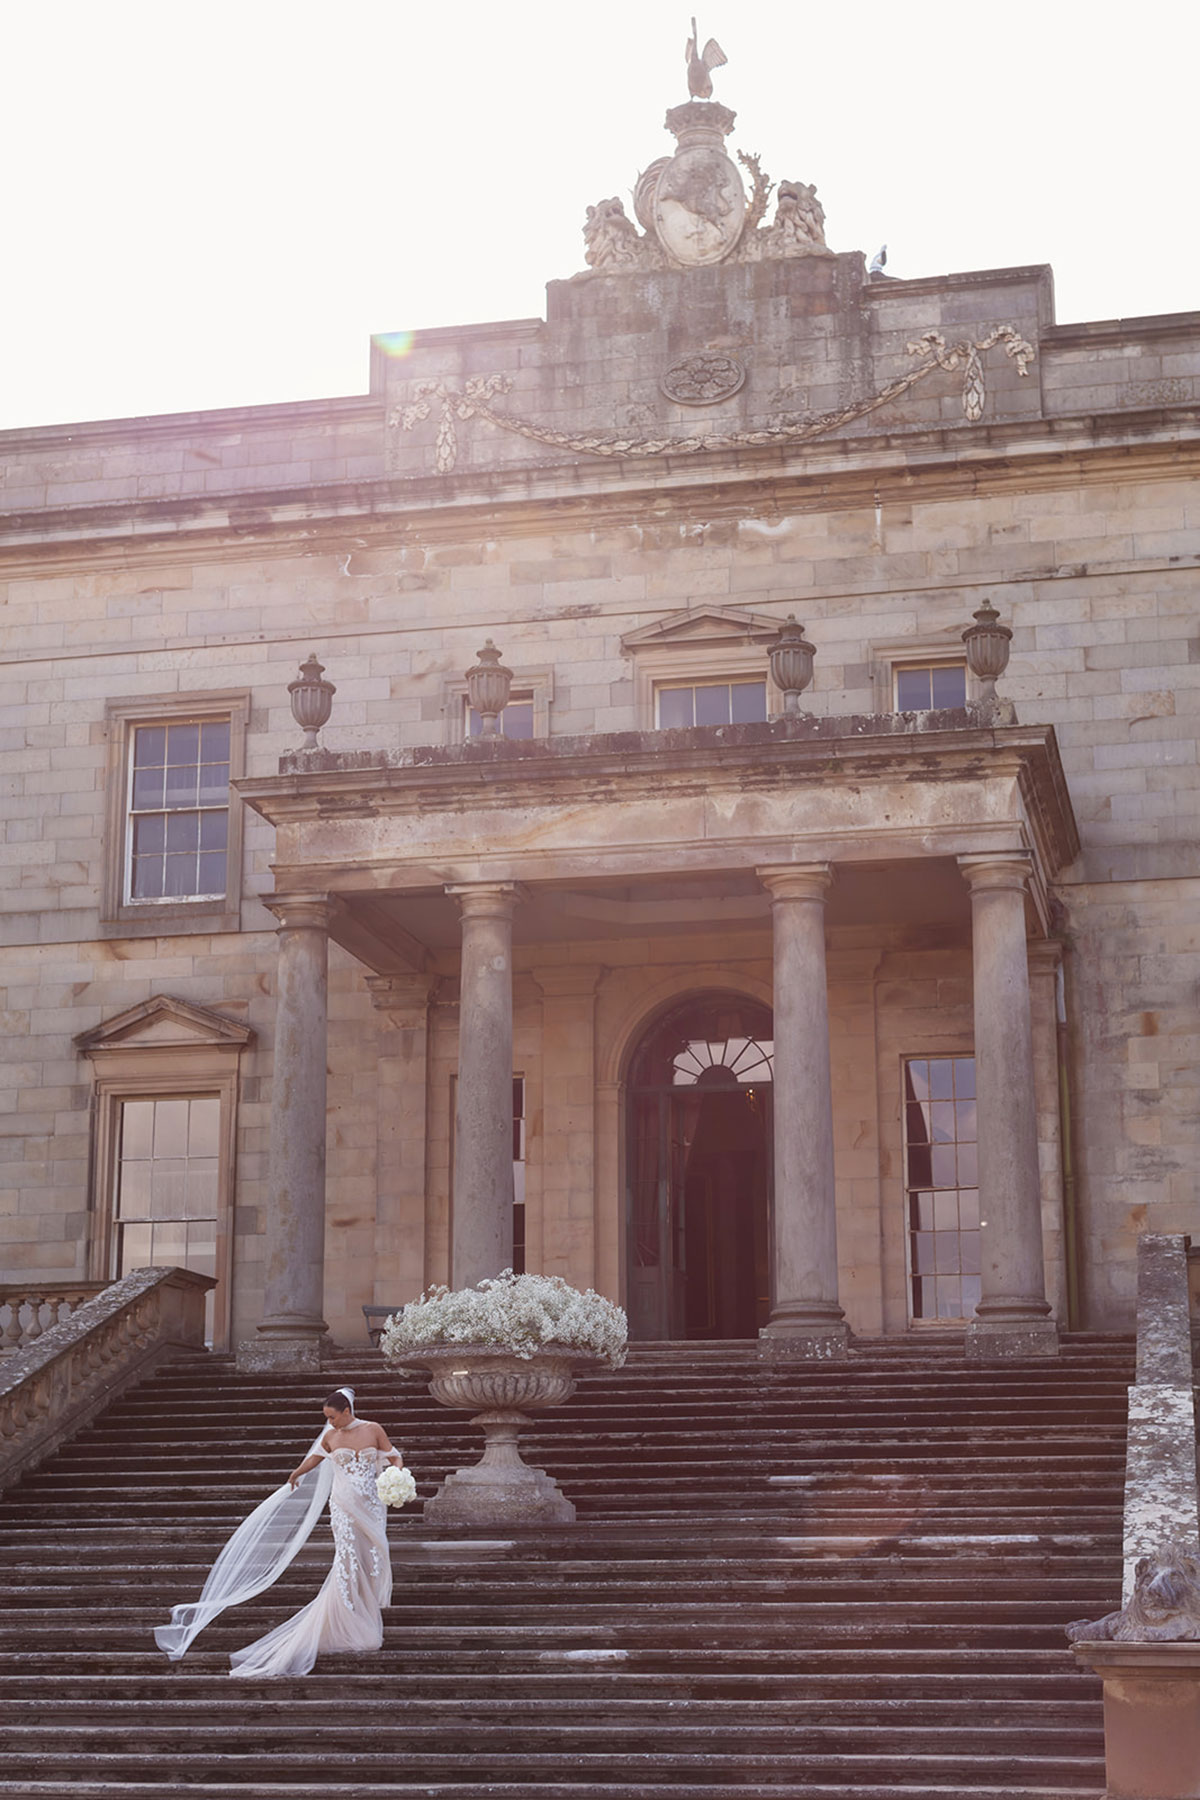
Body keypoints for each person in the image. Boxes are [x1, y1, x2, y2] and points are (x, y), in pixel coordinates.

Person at [154, 1386, 406, 1678]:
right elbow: (315, 1458)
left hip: (371, 1505)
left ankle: (363, 1611)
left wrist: (397, 1475)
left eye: (333, 1417)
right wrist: (297, 1472)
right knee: (348, 1561)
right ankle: (352, 1621)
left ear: (347, 1411)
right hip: (343, 1506)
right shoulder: (330, 1436)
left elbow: (393, 1456)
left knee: (373, 1556)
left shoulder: (373, 1429)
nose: (330, 1422)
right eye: (327, 1417)